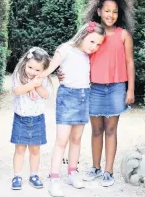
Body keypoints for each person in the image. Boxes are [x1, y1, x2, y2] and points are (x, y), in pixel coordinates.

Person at [58, 0, 135, 187]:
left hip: (117, 88)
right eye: (107, 10)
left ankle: (108, 171)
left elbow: (129, 62)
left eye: (115, 11)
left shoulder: (124, 35)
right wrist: (62, 73)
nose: (110, 14)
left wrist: (130, 89)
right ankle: (95, 167)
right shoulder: (93, 35)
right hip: (93, 88)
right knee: (96, 130)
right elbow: (75, 55)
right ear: (99, 11)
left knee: (111, 130)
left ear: (120, 13)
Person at [38, 22, 105, 197]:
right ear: (83, 35)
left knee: (76, 138)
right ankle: (54, 179)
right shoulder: (65, 49)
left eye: (98, 44)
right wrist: (31, 84)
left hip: (84, 96)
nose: (94, 47)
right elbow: (47, 71)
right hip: (67, 97)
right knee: (62, 140)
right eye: (92, 42)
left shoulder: (88, 55)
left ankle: (72, 172)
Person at [10, 47, 52, 190]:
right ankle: (17, 176)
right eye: (30, 67)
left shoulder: (43, 79)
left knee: (35, 150)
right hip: (21, 118)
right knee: (20, 149)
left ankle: (34, 175)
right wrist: (31, 85)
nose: (32, 72)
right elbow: (16, 91)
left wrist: (37, 86)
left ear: (43, 70)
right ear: (25, 63)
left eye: (37, 70)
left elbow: (46, 95)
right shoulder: (18, 74)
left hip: (37, 119)